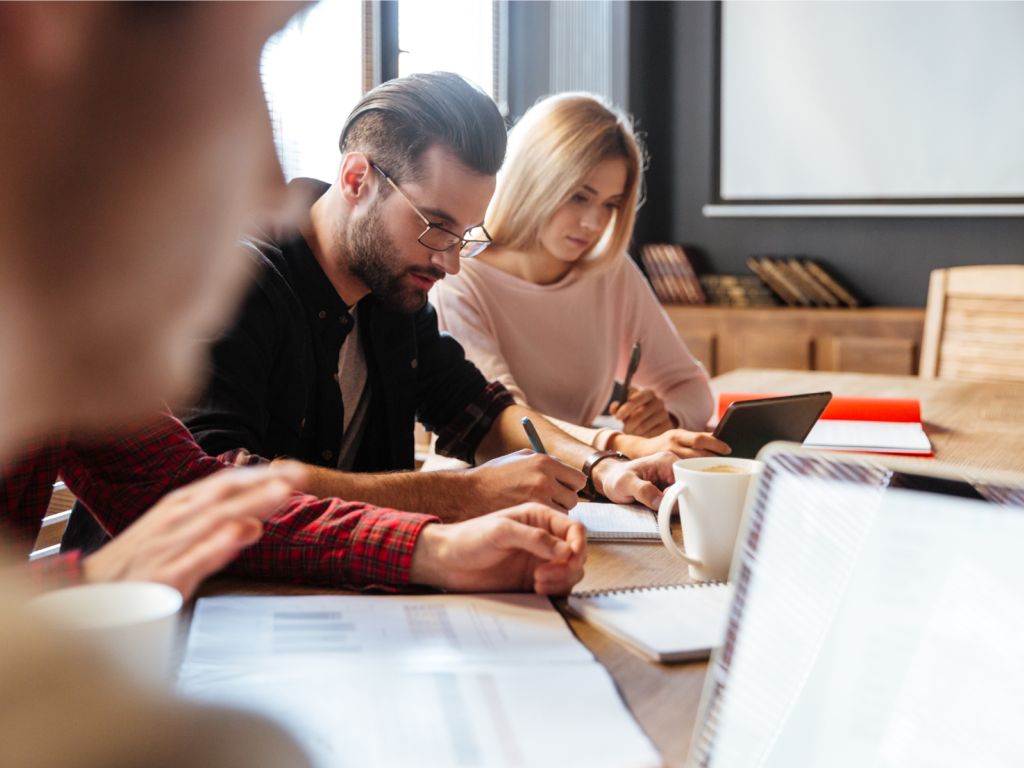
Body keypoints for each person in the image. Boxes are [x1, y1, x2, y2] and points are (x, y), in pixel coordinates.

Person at [183, 72, 682, 517]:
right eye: (435, 226)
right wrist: (458, 493)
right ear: (357, 179)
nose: (451, 261)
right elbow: (219, 478)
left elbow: (481, 412)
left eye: (465, 234)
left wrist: (603, 467)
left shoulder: (393, 293)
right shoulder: (240, 283)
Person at [431, 92, 728, 461]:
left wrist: (665, 418)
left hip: (587, 484)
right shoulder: (458, 276)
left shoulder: (610, 272)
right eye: (578, 197)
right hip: (480, 495)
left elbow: (691, 388)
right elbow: (503, 424)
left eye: (610, 204)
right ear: (533, 180)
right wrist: (621, 445)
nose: (594, 223)